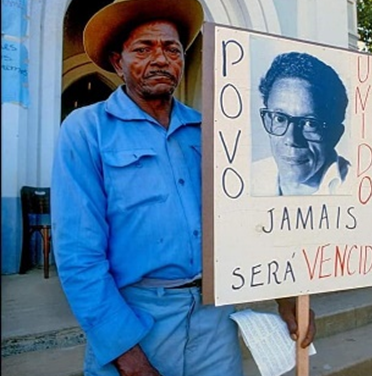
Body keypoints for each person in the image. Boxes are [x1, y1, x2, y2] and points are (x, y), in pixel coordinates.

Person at [51, 1, 316, 375]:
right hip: (135, 319)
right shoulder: (86, 130)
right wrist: (128, 356)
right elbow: (79, 256)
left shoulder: (212, 131)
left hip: (215, 320)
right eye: (143, 49)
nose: (160, 59)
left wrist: (286, 295)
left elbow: (249, 222)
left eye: (172, 49)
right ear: (117, 62)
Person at [251, 52, 350, 196]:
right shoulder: (248, 179)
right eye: (280, 118)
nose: (291, 139)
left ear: (336, 134)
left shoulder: (356, 187)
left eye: (310, 123)